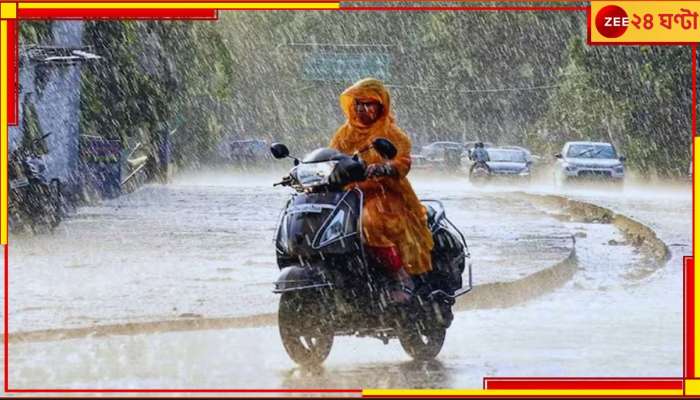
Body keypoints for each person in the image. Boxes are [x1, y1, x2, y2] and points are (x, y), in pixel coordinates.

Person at [329, 78, 434, 303]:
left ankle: (400, 277)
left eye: (369, 104)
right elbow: (331, 157)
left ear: (381, 106)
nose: (362, 109)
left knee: (369, 222)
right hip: (348, 195)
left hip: (384, 194)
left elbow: (403, 162)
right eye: (358, 103)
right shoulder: (343, 134)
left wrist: (385, 167)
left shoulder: (393, 135)